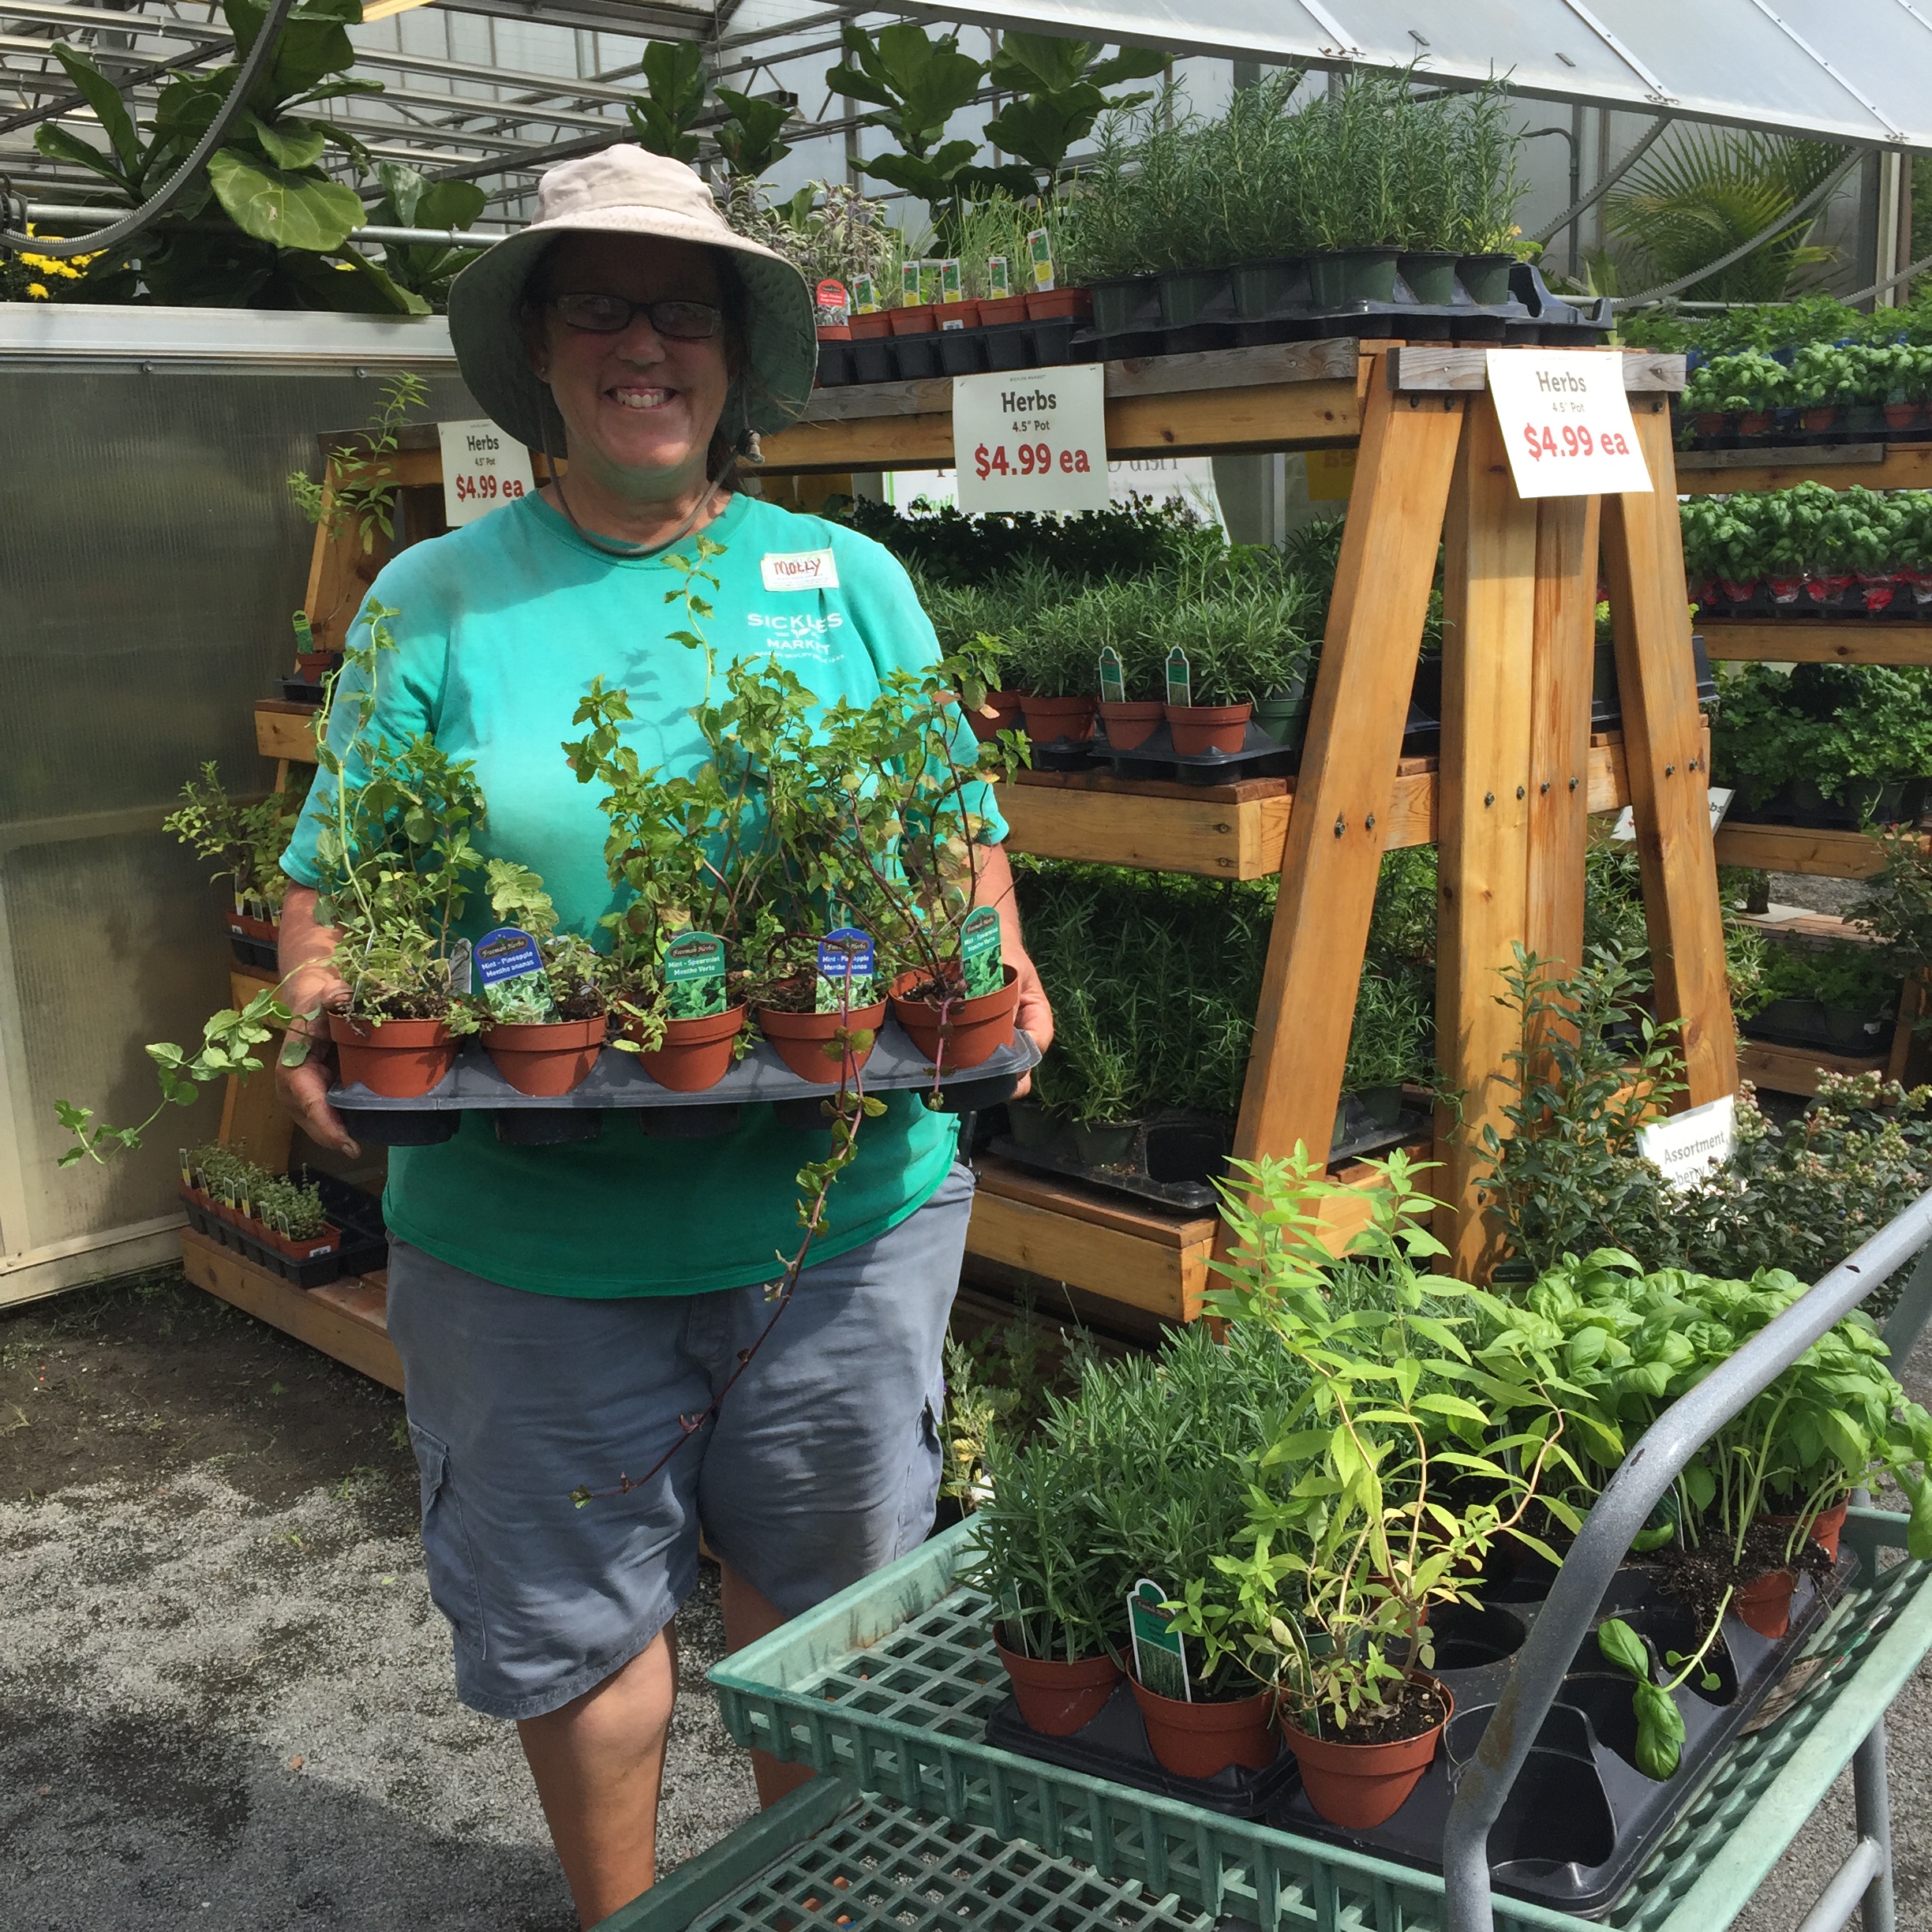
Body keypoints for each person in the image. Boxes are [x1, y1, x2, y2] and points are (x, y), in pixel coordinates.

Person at [273, 146, 1054, 1927]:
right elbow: (333, 877)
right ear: (541, 352)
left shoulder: (846, 581)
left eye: (682, 310)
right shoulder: (435, 597)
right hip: (528, 1245)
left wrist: (1002, 965)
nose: (645, 345)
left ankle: (810, 1905)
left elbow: (959, 839)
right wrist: (321, 996)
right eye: (600, 308)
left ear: (735, 354)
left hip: (840, 1226)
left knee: (822, 1623)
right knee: (581, 1645)